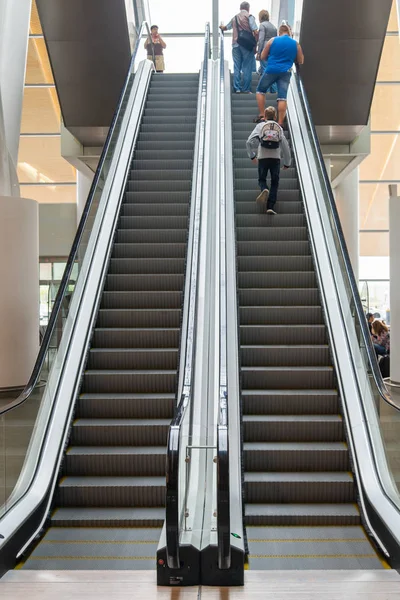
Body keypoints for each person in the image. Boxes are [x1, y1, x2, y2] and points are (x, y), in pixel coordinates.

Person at [254, 23, 304, 124]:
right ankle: (280, 122)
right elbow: (300, 60)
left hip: (271, 70)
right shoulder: (295, 43)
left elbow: (262, 56)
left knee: (260, 91)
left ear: (279, 32)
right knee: (282, 97)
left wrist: (272, 57)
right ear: (290, 33)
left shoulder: (272, 41)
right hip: (285, 72)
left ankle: (262, 115)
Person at [246, 105, 291, 214]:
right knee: (275, 182)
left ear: (264, 116)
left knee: (262, 179)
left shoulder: (260, 126)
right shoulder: (278, 127)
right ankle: (270, 206)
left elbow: (249, 142)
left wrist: (252, 155)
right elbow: (285, 146)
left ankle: (264, 189)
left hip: (263, 157)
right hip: (275, 158)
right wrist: (287, 163)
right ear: (275, 116)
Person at [220, 3, 258, 94]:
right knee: (247, 67)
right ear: (248, 8)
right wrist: (255, 45)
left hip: (235, 44)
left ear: (240, 8)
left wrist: (221, 26)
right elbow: (255, 31)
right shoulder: (250, 17)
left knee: (237, 66)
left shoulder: (234, 18)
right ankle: (246, 89)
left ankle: (237, 88)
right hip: (246, 45)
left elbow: (226, 28)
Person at [257, 9, 277, 93]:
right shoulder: (273, 27)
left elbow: (261, 39)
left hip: (265, 49)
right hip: (273, 50)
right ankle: (274, 90)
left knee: (265, 70)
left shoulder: (262, 25)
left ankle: (266, 90)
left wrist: (259, 52)